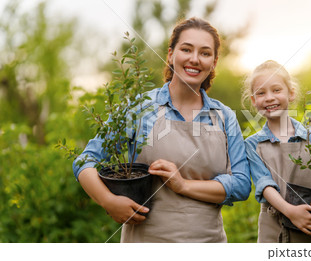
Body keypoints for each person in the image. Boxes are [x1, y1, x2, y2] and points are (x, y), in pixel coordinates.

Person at [73, 17, 251, 243]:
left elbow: (242, 184)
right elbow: (85, 160)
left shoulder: (225, 117)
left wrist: (183, 185)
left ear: (214, 62)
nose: (194, 59)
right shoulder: (140, 108)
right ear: (170, 54)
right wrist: (109, 201)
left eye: (205, 53)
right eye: (186, 49)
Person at [243, 60, 311, 243]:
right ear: (253, 101)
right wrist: (291, 212)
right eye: (261, 93)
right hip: (273, 233)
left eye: (276, 90)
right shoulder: (253, 144)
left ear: (291, 94)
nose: (269, 98)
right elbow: (265, 185)